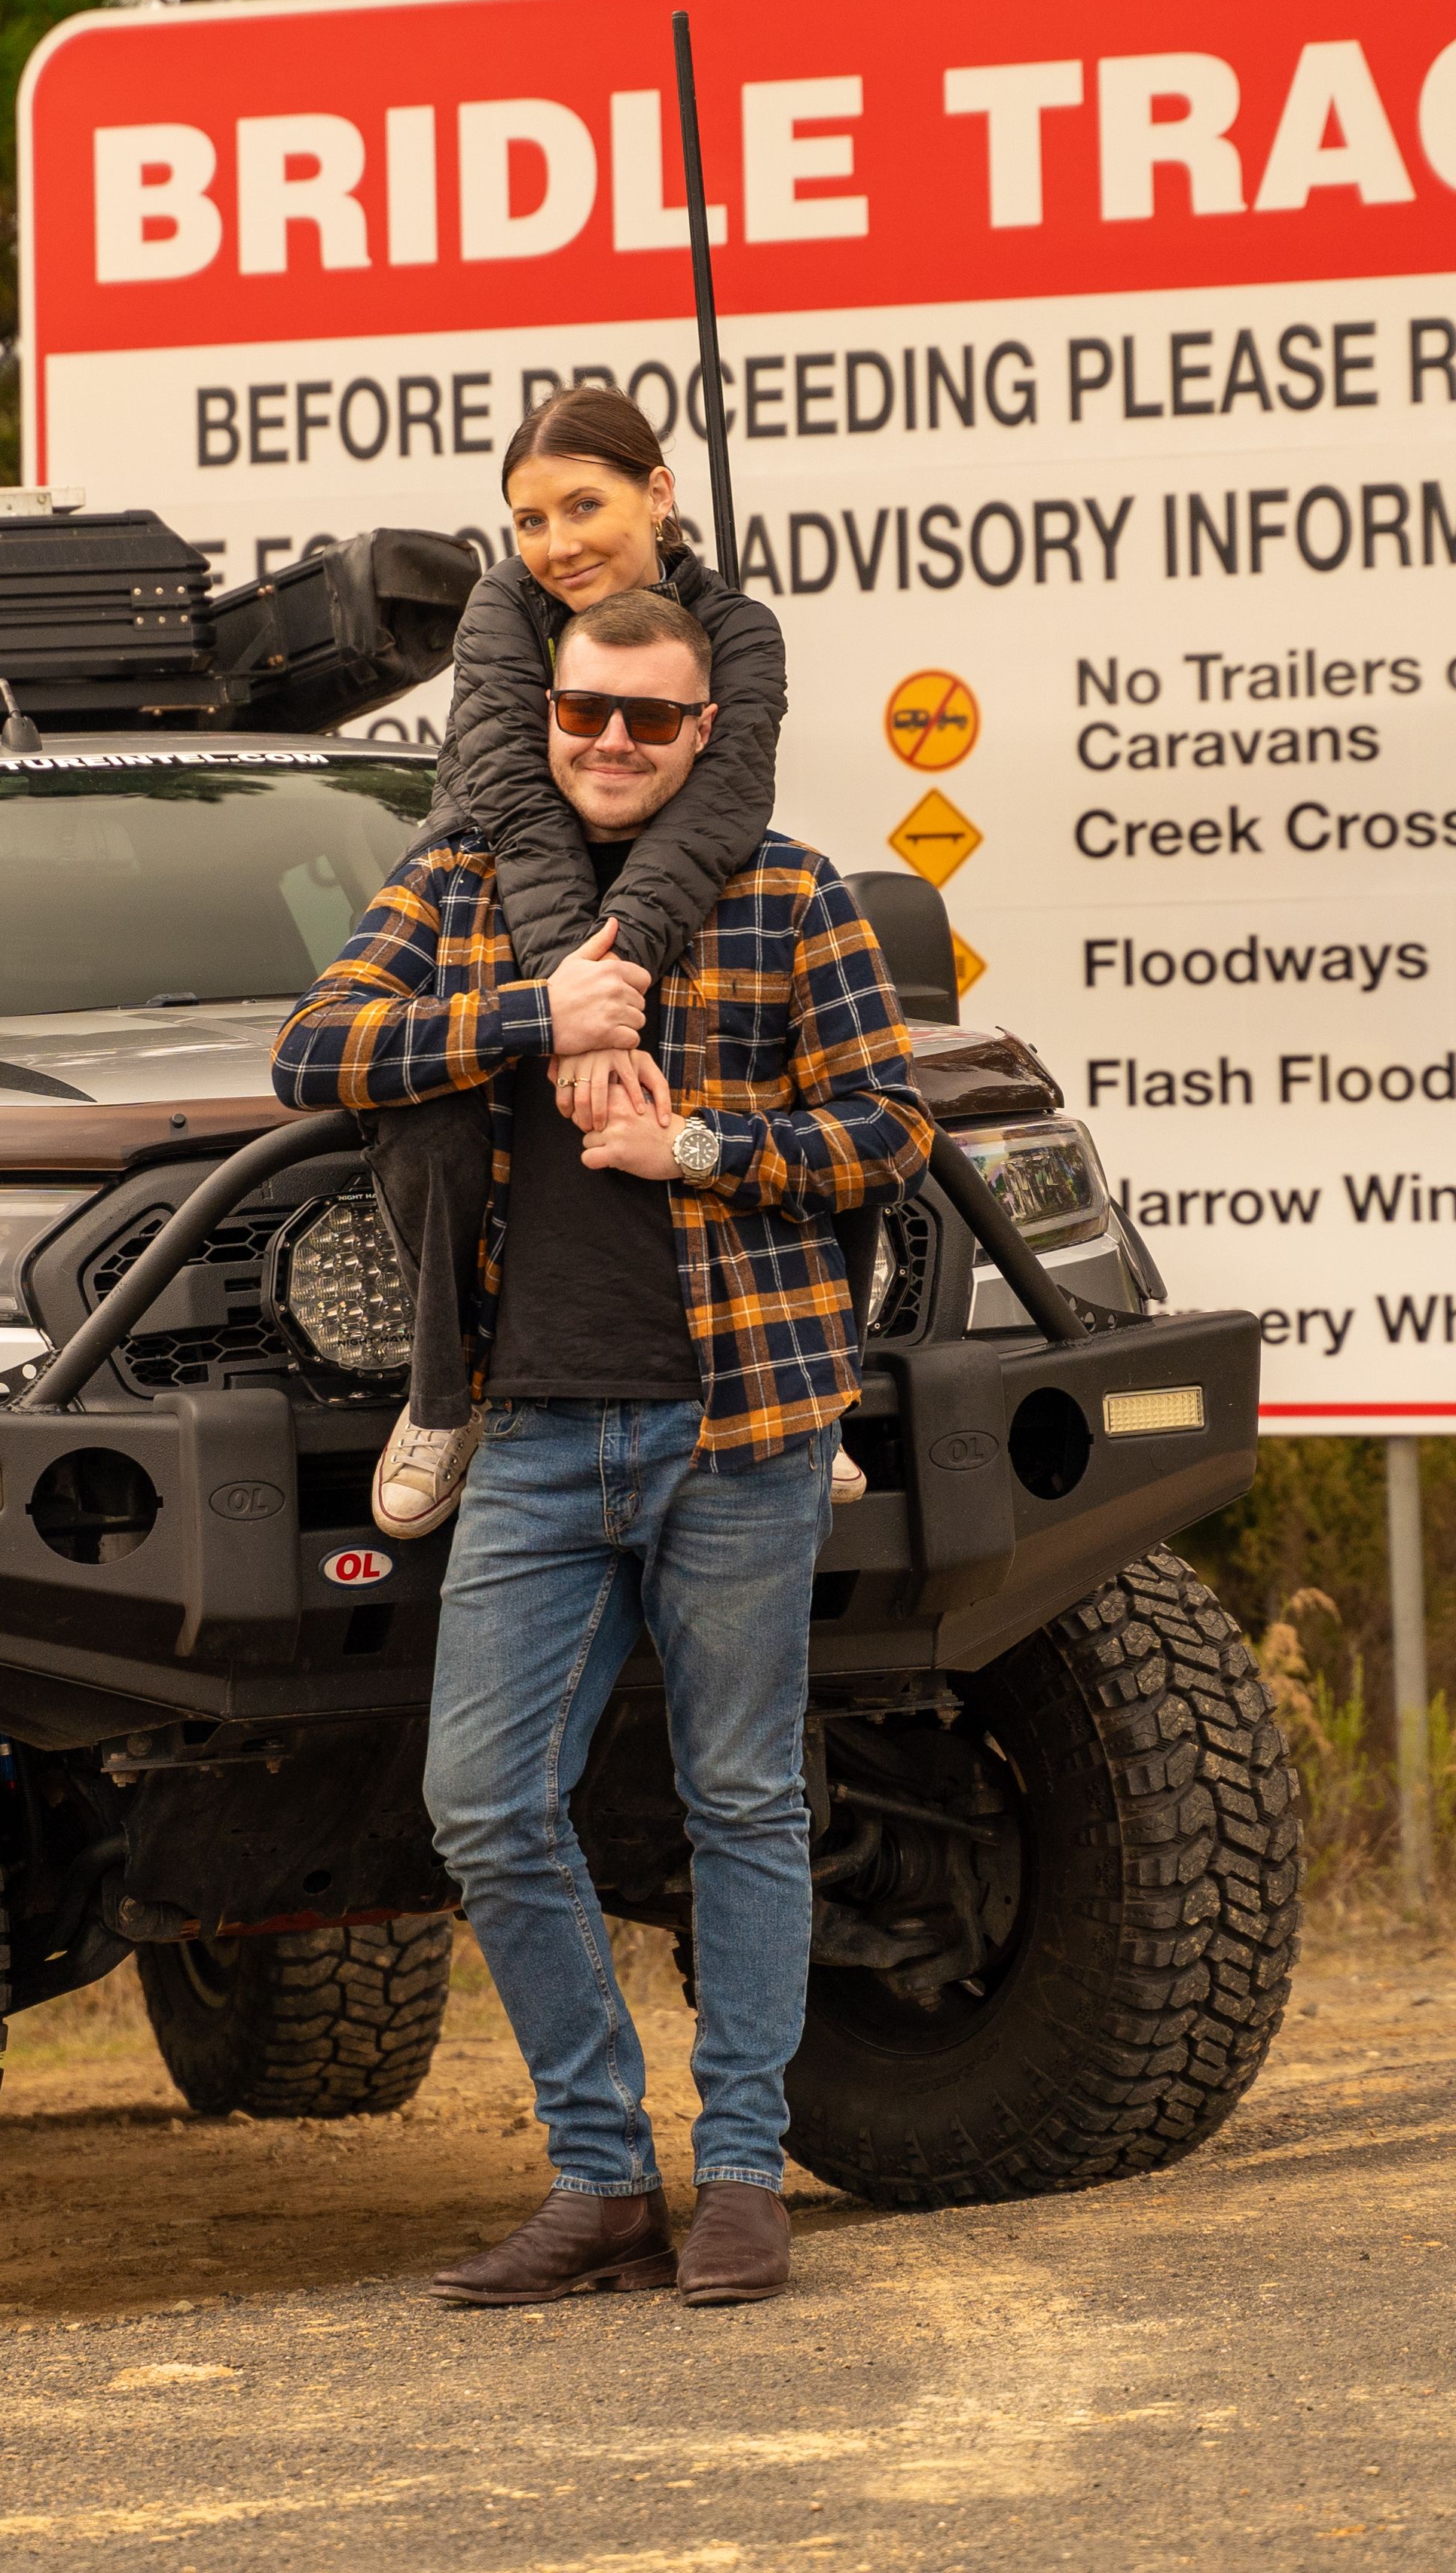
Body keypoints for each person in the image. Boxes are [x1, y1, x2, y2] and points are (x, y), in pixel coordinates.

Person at [276, 588, 931, 2310]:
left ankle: (737, 2175)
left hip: (748, 1424)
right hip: (540, 1431)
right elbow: (313, 1047)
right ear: (545, 711)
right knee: (484, 1802)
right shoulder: (466, 882)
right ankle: (596, 2175)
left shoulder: (792, 891)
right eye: (585, 713)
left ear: (706, 727)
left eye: (651, 718)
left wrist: (704, 1147)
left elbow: (891, 1129)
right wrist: (525, 1020)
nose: (614, 743)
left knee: (743, 1800)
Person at [358, 383, 803, 1539]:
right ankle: (443, 1397)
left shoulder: (740, 633)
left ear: (658, 494)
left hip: (666, 916)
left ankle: (807, 1403)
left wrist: (610, 992)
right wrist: (569, 1006)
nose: (556, 545)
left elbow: (721, 812)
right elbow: (509, 794)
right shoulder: (506, 603)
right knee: (426, 1107)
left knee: (793, 1082)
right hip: (503, 892)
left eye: (583, 505)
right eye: (528, 518)